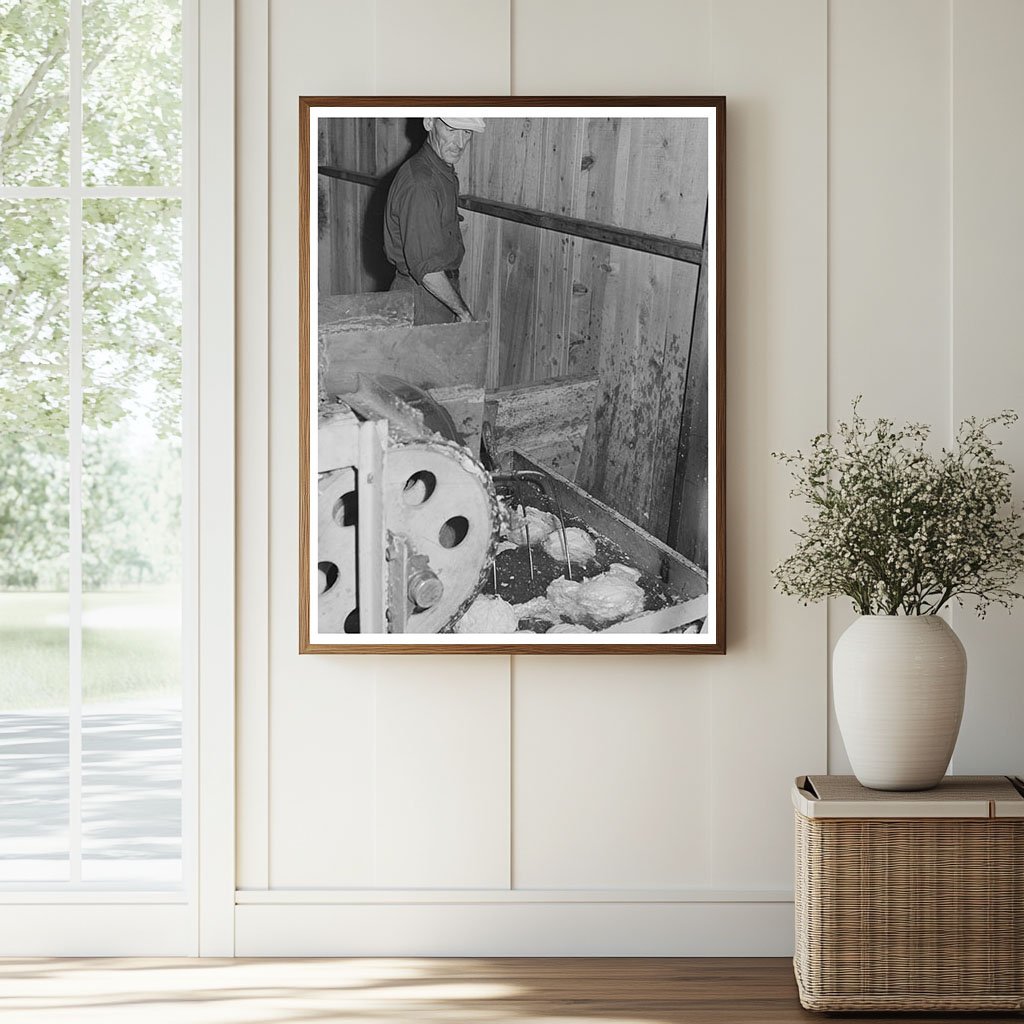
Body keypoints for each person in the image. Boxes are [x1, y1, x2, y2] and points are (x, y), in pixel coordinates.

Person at [383, 116, 485, 324]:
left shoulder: (440, 170)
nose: (459, 143)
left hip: (434, 293)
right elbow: (428, 270)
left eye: (467, 133)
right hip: (422, 297)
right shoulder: (422, 183)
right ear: (429, 123)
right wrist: (464, 313)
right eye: (451, 130)